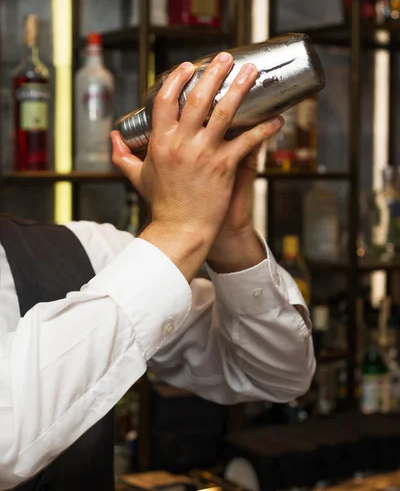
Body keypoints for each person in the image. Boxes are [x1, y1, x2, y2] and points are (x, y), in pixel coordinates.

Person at [0, 52, 315, 491]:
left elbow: (277, 375)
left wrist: (227, 236)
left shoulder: (85, 251)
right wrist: (181, 229)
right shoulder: (149, 254)